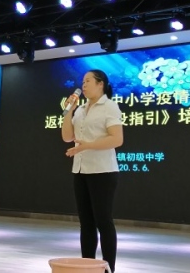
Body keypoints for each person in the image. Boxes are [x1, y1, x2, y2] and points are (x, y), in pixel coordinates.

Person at [61, 69, 123, 273]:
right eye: (82, 82)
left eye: (88, 81)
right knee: (86, 223)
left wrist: (86, 146)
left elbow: (117, 139)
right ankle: (87, 267)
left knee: (103, 221)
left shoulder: (109, 106)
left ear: (100, 84)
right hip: (80, 170)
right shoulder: (80, 109)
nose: (83, 85)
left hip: (103, 171)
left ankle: (108, 269)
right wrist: (69, 111)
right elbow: (67, 137)